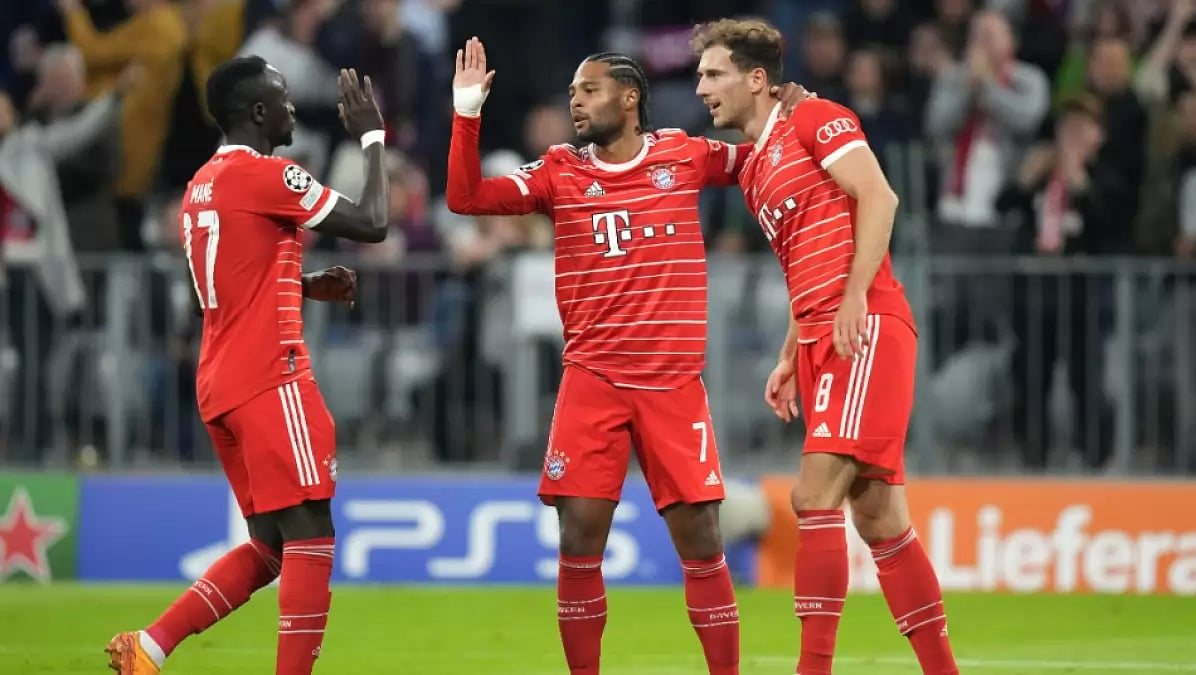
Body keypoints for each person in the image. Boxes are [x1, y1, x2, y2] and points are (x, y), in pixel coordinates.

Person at [447, 37, 808, 675]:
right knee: (579, 538)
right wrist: (466, 113)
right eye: (572, 95)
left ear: (629, 97)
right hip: (593, 382)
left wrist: (793, 116)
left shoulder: (683, 154)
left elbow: (761, 156)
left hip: (673, 385)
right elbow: (467, 197)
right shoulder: (559, 168)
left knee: (702, 540)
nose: (576, 104)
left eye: (589, 92)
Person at [104, 56, 390, 675]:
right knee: (312, 536)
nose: (292, 107)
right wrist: (371, 135)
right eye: (283, 98)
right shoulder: (270, 176)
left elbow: (207, 290)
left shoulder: (199, 186)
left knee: (268, 546)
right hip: (271, 376)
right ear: (259, 113)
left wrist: (302, 282)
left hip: (221, 383)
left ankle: (148, 648)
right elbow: (373, 222)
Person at [692, 18, 959, 675]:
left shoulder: (814, 116)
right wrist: (790, 349)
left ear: (757, 79)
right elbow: (806, 259)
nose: (701, 88)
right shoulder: (757, 167)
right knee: (879, 518)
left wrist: (855, 296)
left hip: (863, 326)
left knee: (813, 496)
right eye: (700, 75)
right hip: (820, 335)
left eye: (714, 74)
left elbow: (879, 195)